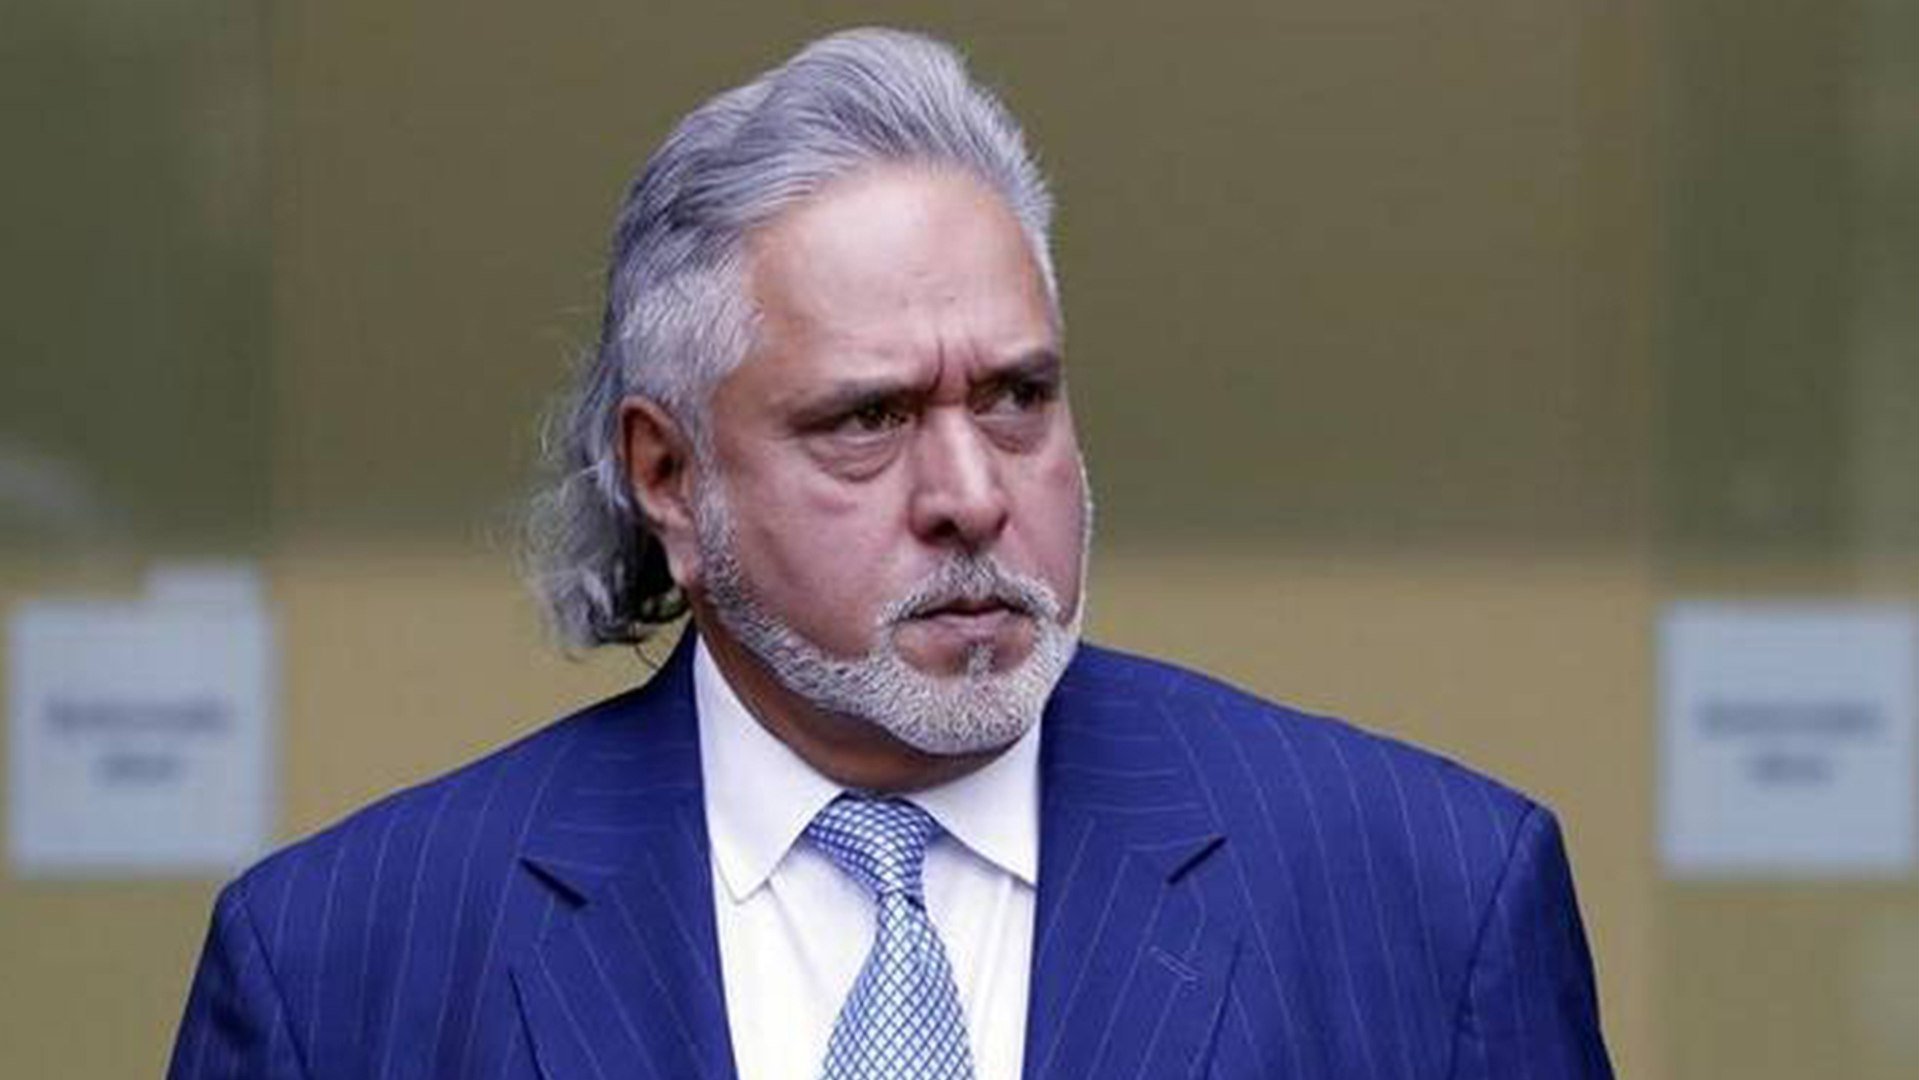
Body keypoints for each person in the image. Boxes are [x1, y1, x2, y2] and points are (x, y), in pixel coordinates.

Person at [168, 27, 1612, 1080]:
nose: (973, 495)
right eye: (868, 421)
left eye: (1018, 399)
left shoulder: (1429, 903)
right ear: (669, 476)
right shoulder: (345, 969)